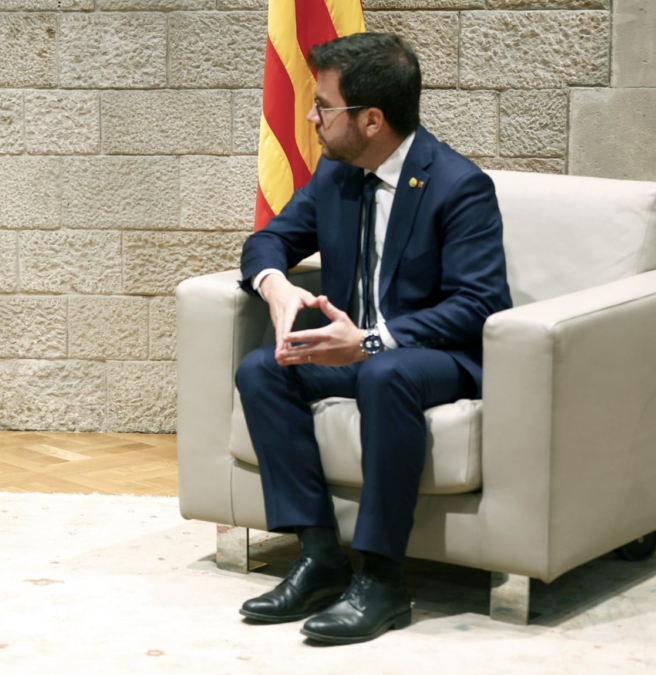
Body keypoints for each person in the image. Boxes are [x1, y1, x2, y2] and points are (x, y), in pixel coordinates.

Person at [233, 32, 511, 644]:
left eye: (324, 107)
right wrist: (275, 284)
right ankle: (320, 555)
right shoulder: (338, 176)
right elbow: (267, 241)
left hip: (438, 359)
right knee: (262, 367)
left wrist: (375, 341)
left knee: (386, 372)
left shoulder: (457, 185)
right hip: (356, 349)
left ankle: (383, 580)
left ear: (372, 119)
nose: (312, 118)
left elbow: (480, 304)